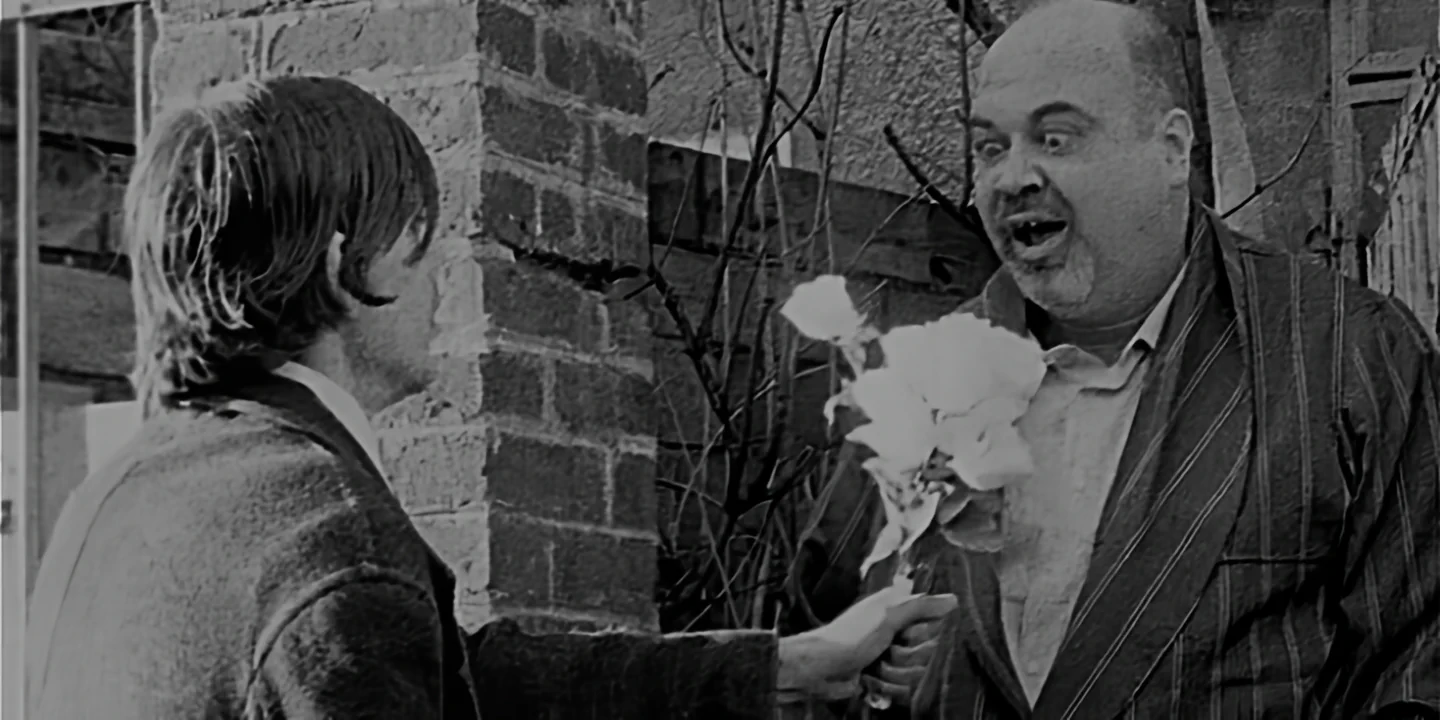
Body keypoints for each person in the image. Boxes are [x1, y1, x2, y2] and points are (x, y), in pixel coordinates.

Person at [24, 75, 958, 719]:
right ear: (351, 266)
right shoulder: (330, 538)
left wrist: (780, 671)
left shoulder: (124, 491)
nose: (440, 281)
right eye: (421, 243)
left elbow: (460, 675)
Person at [799, 1, 1440, 718]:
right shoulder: (917, 385)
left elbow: (1419, 665)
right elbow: (818, 643)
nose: (1012, 178)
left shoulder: (1347, 357)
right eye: (988, 147)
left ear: (1171, 149)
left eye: (1056, 138)